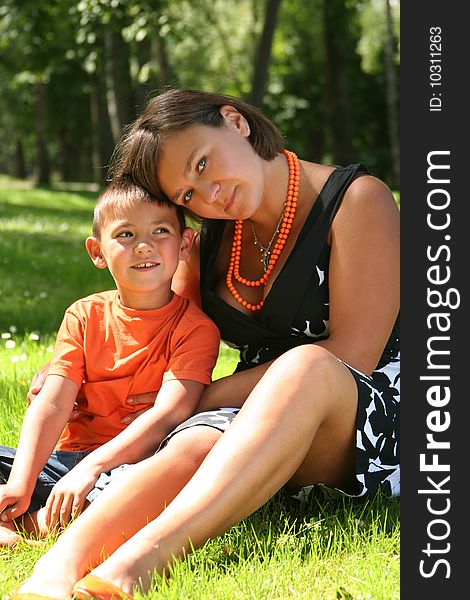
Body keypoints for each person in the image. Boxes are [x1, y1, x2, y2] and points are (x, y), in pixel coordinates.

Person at [13, 87, 399, 599]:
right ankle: (59, 569)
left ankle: (136, 566)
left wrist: (199, 399)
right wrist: (76, 365)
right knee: (199, 437)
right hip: (253, 411)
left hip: (369, 412)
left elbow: (354, 354)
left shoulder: (357, 200)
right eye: (188, 196)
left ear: (235, 122)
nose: (209, 195)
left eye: (202, 163)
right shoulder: (216, 233)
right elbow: (164, 333)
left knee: (305, 367)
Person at [0, 173, 220, 548]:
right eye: (126, 235)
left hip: (128, 467)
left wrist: (93, 467)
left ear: (185, 245)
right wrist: (23, 477)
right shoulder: (83, 316)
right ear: (97, 252)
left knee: (142, 492)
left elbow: (167, 415)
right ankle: (26, 507)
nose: (144, 246)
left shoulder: (195, 330)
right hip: (65, 462)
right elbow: (53, 401)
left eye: (160, 232)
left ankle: (29, 524)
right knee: (19, 469)